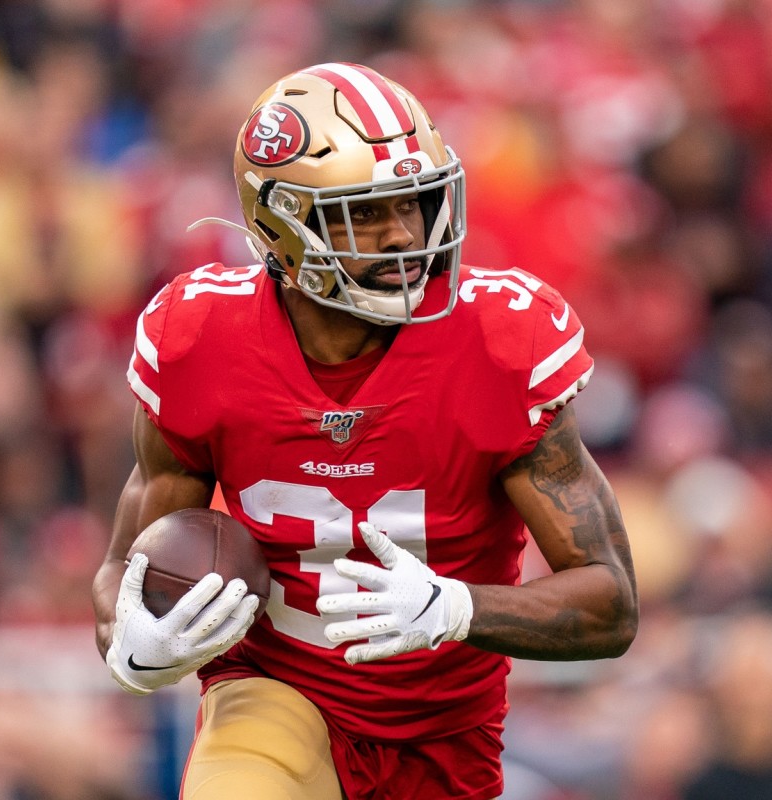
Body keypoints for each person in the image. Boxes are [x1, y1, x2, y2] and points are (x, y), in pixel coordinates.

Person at [90, 62, 639, 800]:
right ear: (284, 226)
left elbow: (611, 602)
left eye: (413, 202)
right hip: (273, 696)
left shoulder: (498, 341)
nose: (403, 234)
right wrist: (132, 642)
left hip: (443, 736)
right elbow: (123, 569)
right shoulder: (201, 337)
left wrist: (455, 608)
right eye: (366, 213)